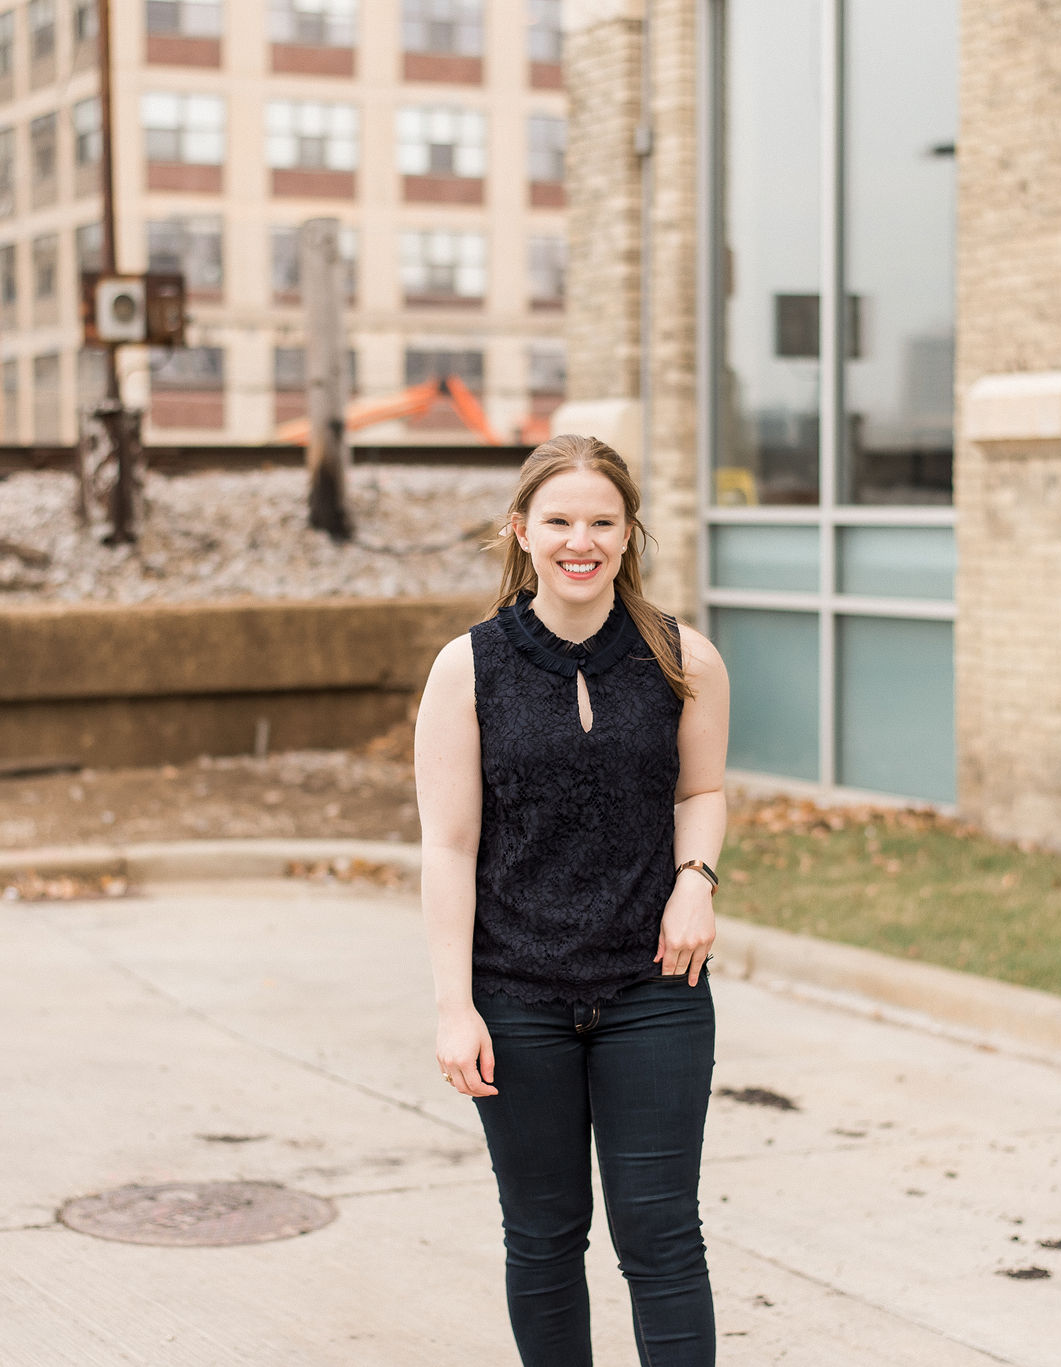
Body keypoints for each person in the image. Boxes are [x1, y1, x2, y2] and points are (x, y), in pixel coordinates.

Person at [414, 433, 731, 1366]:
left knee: (662, 1236)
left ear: (630, 534)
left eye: (602, 520)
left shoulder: (686, 658)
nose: (579, 540)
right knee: (545, 1237)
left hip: (655, 989)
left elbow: (700, 793)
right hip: (516, 998)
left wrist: (695, 881)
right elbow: (449, 843)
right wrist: (454, 1006)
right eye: (558, 520)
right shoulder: (468, 670)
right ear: (523, 530)